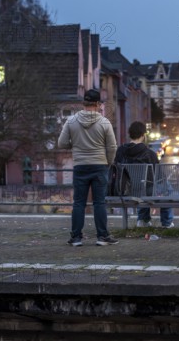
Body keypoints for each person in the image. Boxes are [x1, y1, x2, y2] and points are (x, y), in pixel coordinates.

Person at [58, 89, 118, 247]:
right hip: (99, 165)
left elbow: (61, 143)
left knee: (79, 202)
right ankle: (102, 237)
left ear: (84, 103)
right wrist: (108, 162)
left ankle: (76, 238)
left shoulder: (71, 121)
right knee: (99, 203)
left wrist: (76, 145)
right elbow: (112, 146)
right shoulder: (104, 122)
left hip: (80, 166)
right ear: (98, 104)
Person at [114, 121, 174, 228]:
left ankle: (143, 220)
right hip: (145, 189)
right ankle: (166, 223)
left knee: (143, 189)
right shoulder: (149, 153)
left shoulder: (120, 151)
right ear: (143, 135)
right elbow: (158, 175)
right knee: (166, 189)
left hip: (126, 190)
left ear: (130, 134)